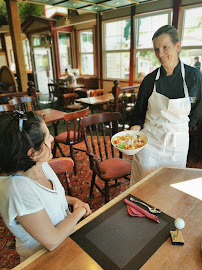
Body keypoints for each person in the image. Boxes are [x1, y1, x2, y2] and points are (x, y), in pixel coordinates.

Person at [0, 111, 91, 262]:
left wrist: (72, 201)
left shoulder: (38, 165)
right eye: (47, 136)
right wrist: (80, 211)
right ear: (33, 153)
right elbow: (52, 240)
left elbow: (47, 198)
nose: (52, 138)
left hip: (65, 239)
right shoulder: (18, 190)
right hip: (43, 258)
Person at [130, 25, 202, 185]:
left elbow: (199, 107)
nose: (160, 54)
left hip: (178, 142)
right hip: (150, 140)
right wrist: (131, 135)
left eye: (165, 47)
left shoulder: (194, 77)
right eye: (156, 49)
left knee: (171, 185)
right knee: (144, 183)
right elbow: (139, 112)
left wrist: (184, 126)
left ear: (177, 46)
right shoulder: (149, 80)